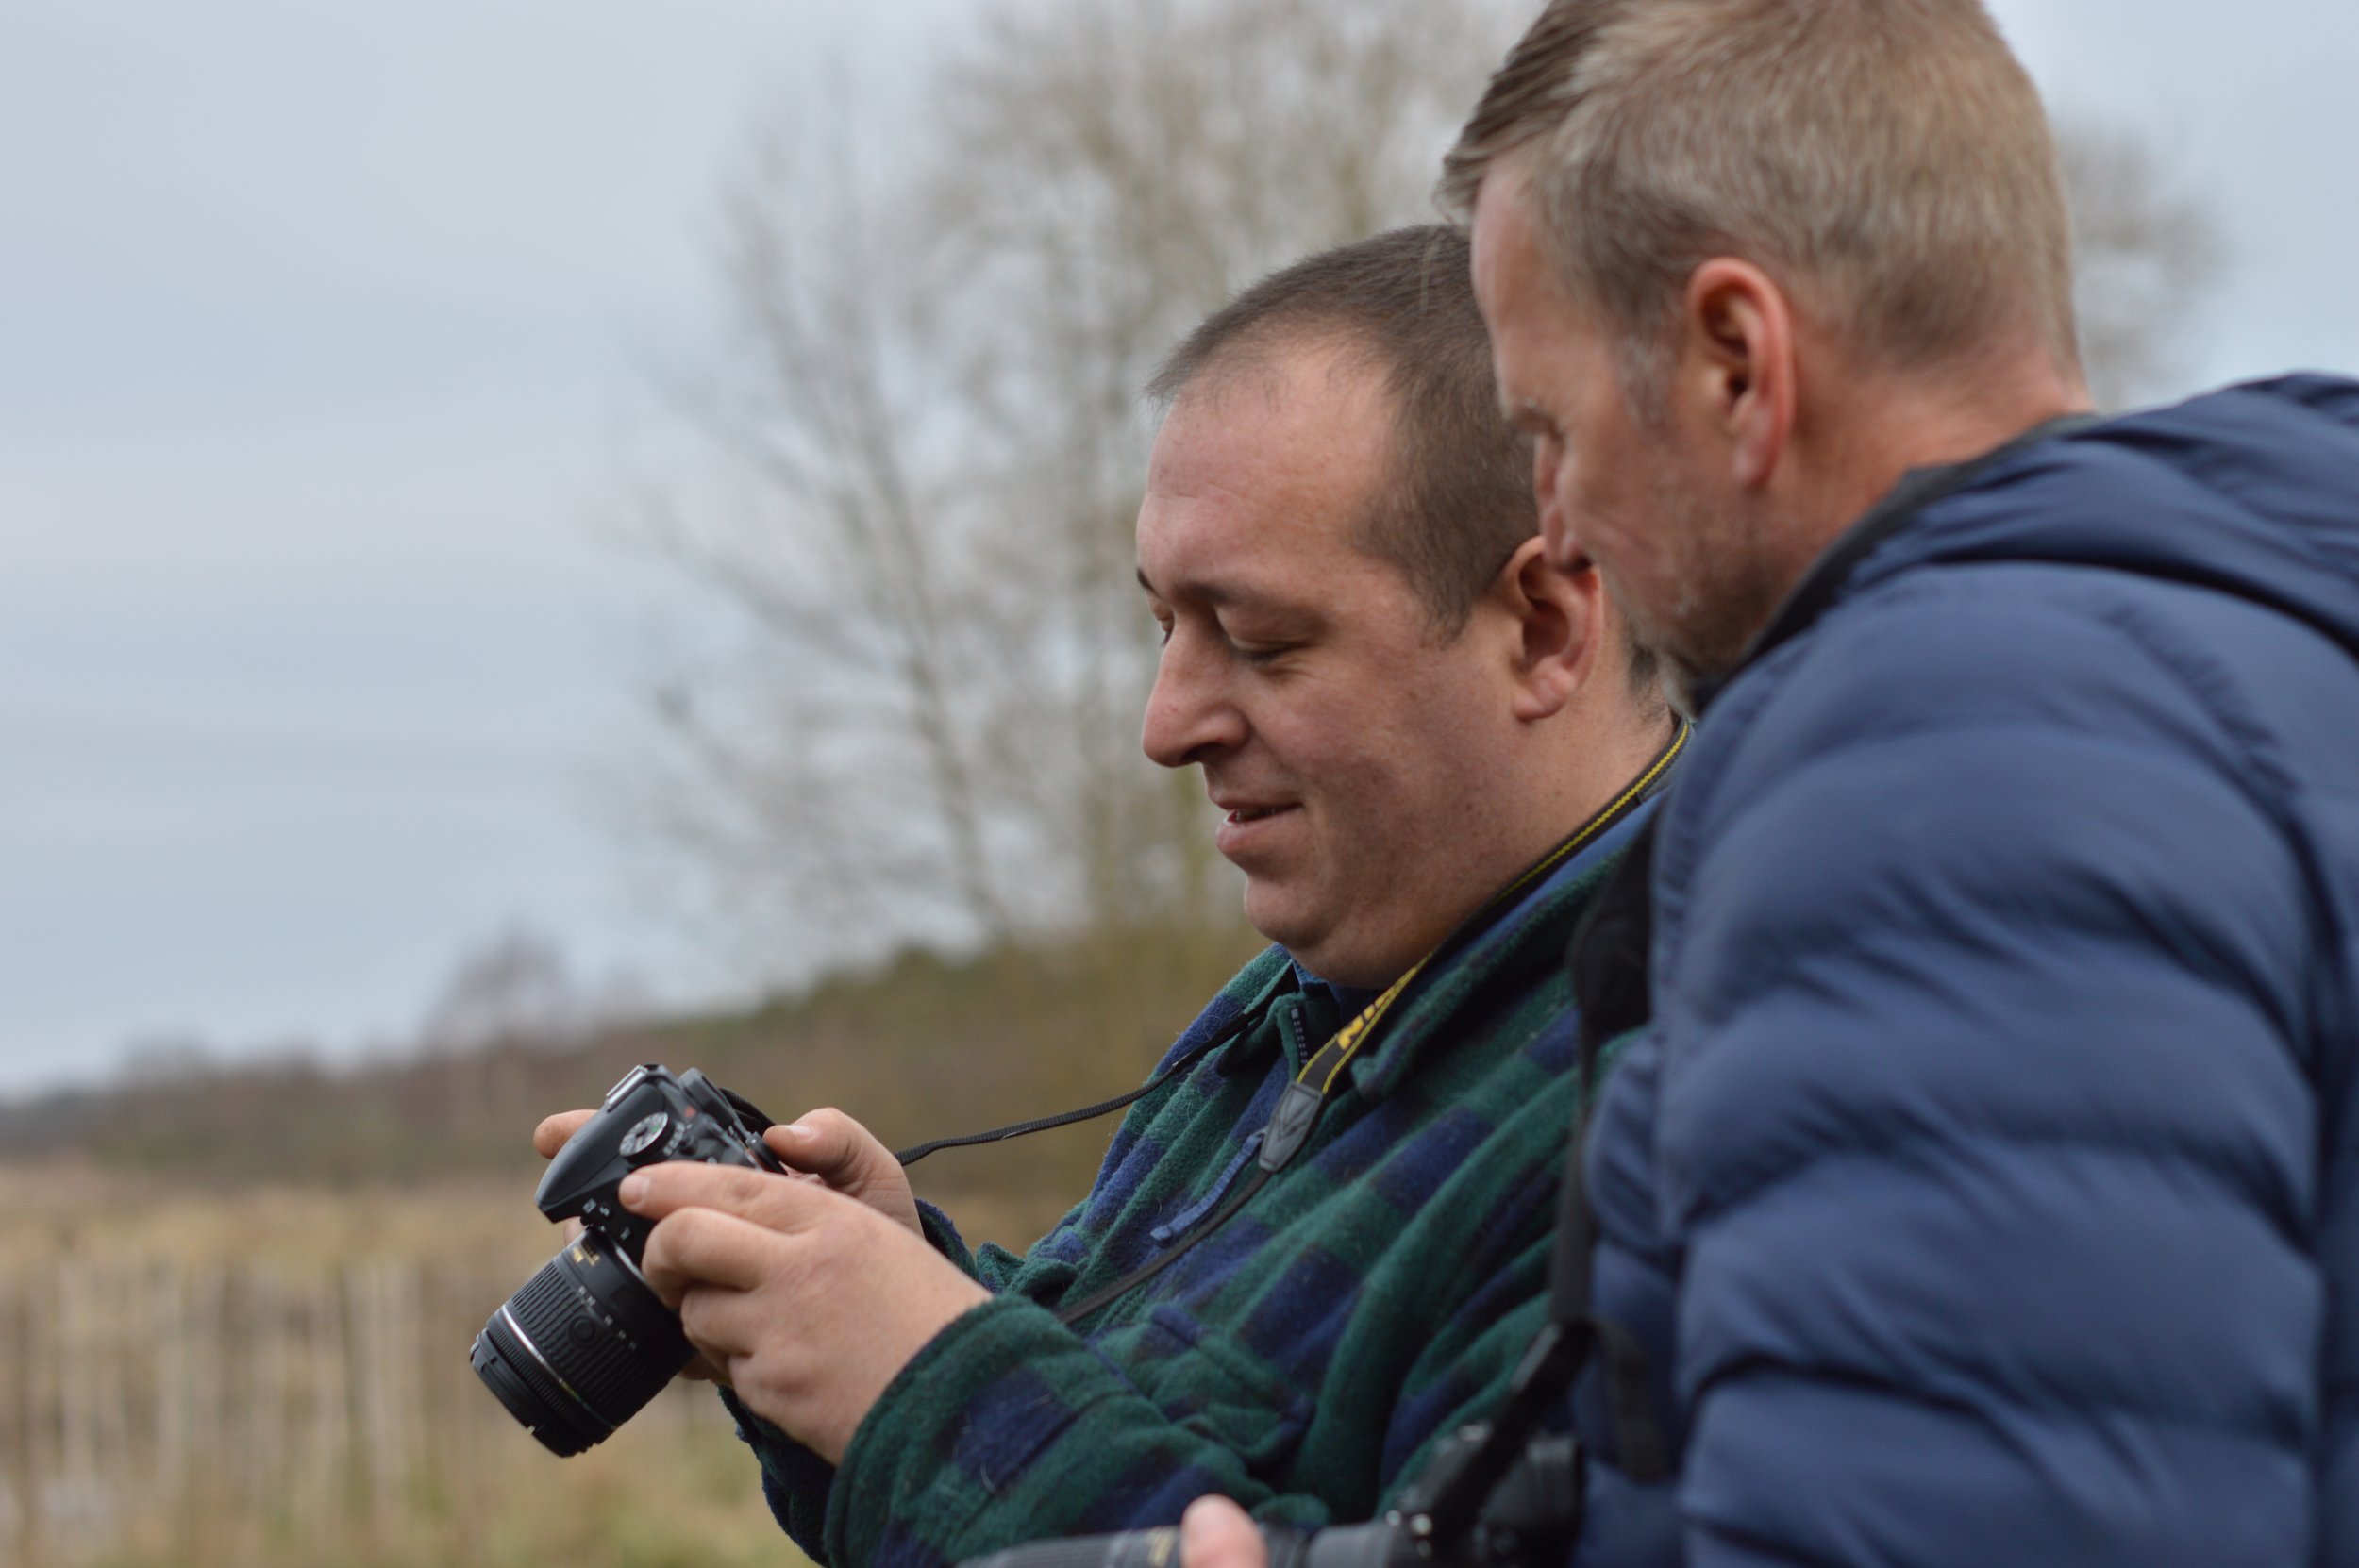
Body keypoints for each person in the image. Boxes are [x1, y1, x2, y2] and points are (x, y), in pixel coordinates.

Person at [533, 225, 1685, 1567]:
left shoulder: (1679, 1123)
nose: (1165, 724)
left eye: (1259, 640)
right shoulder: (1305, 998)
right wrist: (879, 1286)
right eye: (1163, 627)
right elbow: (1143, 1399)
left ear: (1544, 627)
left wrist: (925, 1383)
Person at [1397, 1, 2349, 1563]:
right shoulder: (2277, 639)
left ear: (1735, 363)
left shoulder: (1941, 775)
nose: (1553, 524)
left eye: (1548, 429)